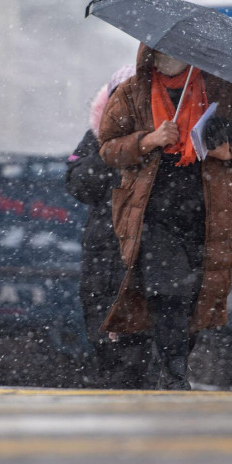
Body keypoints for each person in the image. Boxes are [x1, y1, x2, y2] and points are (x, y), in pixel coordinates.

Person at [97, 44, 232, 390]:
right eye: (162, 52)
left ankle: (174, 361)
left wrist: (229, 150)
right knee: (166, 288)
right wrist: (149, 140)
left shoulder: (221, 89)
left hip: (207, 208)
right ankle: (174, 372)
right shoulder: (131, 93)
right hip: (153, 209)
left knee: (196, 293)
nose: (170, 59)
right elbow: (108, 147)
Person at [65, 65, 152, 389]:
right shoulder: (97, 136)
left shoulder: (161, 139)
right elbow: (77, 184)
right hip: (104, 263)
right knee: (109, 355)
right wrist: (111, 150)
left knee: (143, 357)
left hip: (148, 262)